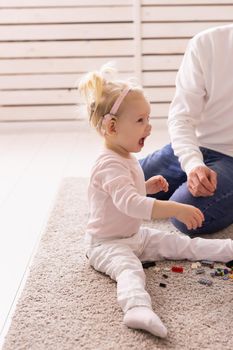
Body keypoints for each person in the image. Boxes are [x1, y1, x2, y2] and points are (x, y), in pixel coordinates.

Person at [78, 64, 233, 339]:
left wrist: (146, 186)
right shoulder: (107, 164)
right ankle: (137, 309)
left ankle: (226, 249)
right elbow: (130, 204)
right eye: (140, 121)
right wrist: (175, 207)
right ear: (112, 127)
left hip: (133, 235)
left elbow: (127, 194)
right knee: (129, 269)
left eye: (148, 119)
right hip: (107, 244)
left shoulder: (124, 156)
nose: (149, 127)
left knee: (179, 244)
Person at [140, 24, 233, 236]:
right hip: (195, 146)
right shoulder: (207, 43)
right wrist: (193, 164)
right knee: (117, 182)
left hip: (231, 159)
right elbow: (181, 117)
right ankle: (186, 182)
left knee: (185, 215)